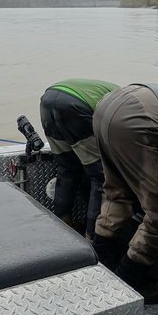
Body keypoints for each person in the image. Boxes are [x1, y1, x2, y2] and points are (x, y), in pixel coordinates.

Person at [91, 83, 158, 304]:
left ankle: (100, 262)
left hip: (108, 107)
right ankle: (129, 280)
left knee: (117, 192)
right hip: (143, 118)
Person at [39, 78, 119, 241]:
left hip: (48, 99)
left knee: (67, 171)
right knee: (100, 178)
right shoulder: (128, 105)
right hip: (74, 105)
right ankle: (91, 238)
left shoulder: (116, 93)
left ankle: (62, 230)